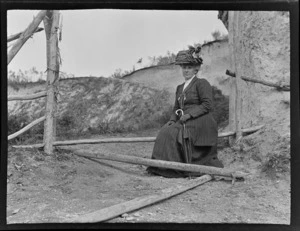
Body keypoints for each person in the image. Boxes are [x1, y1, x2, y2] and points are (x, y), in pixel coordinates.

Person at [147, 45, 224, 178]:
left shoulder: (201, 83)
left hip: (201, 119)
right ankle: (162, 167)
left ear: (196, 69)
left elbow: (207, 105)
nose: (186, 70)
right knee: (165, 131)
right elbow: (176, 108)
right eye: (184, 67)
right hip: (183, 119)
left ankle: (177, 168)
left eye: (189, 67)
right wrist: (172, 119)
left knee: (175, 133)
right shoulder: (179, 87)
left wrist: (189, 115)